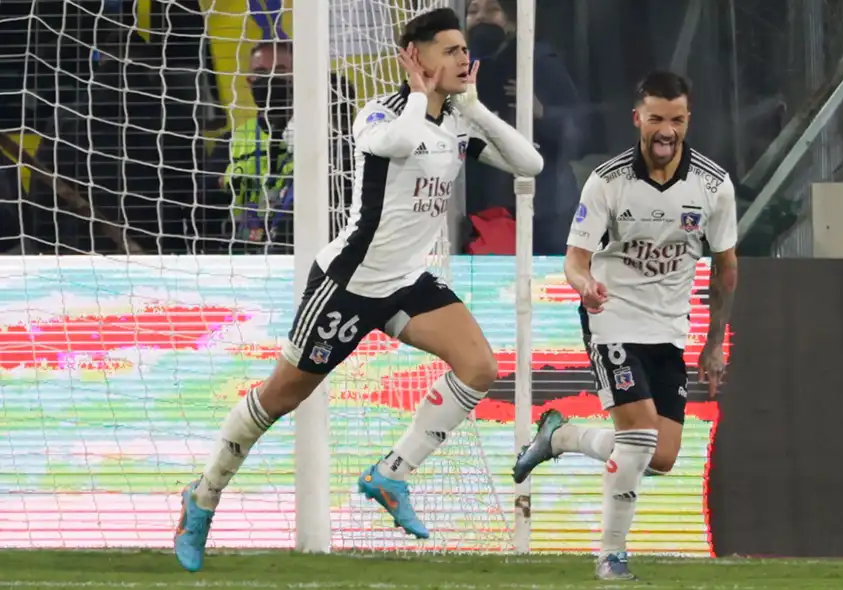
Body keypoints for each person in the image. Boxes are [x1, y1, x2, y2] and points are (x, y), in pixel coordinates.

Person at [172, 8, 543, 572]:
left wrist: (471, 106)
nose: (465, 58)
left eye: (465, 50)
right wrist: (422, 96)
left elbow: (530, 163)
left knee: (479, 366)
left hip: (404, 282)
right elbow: (396, 142)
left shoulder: (460, 123)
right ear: (416, 59)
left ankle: (390, 476)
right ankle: (202, 496)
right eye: (450, 51)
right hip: (348, 283)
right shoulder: (379, 112)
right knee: (281, 397)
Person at [510, 71, 738, 580]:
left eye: (676, 120)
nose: (666, 130)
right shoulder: (608, 181)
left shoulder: (713, 185)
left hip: (669, 331)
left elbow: (726, 271)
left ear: (687, 121)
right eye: (656, 118)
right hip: (610, 320)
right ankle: (611, 555)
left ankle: (562, 436)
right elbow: (575, 260)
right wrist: (584, 285)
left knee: (662, 457)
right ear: (638, 119)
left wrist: (714, 343)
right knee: (637, 439)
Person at [462, 0, 586, 255]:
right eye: (473, 11)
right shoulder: (462, 68)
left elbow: (578, 136)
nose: (481, 18)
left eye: (492, 9)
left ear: (512, 19)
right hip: (483, 208)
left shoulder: (540, 62)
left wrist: (542, 113)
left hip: (545, 210)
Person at [225, 39, 356, 251]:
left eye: (280, 70)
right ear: (249, 80)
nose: (271, 80)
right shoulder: (232, 141)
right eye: (262, 72)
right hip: (241, 257)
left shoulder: (344, 153)